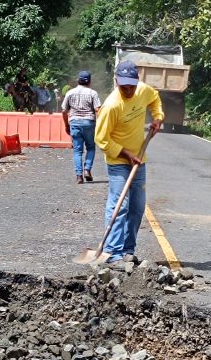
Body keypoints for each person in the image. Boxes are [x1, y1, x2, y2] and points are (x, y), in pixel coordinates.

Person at [94, 60, 164, 263]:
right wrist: (125, 154)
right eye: (123, 86)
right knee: (119, 204)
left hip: (139, 159)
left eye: (131, 86)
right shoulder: (111, 106)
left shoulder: (143, 91)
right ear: (116, 81)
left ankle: (127, 250)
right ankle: (112, 253)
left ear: (137, 81)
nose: (128, 90)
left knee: (137, 207)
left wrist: (158, 118)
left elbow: (155, 99)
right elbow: (101, 138)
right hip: (118, 161)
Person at [62, 70, 101, 184]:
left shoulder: (70, 93)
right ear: (89, 82)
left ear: (77, 80)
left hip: (74, 123)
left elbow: (64, 111)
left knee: (77, 151)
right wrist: (100, 124)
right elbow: (98, 110)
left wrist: (66, 125)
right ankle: (87, 170)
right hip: (89, 123)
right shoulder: (93, 93)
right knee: (91, 148)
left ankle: (79, 176)